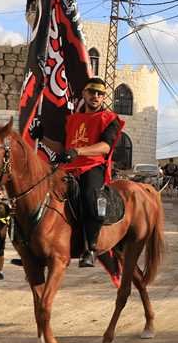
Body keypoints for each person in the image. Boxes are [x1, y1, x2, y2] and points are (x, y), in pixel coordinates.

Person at [36, 77, 124, 268]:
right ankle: (38, 246)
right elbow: (62, 147)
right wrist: (41, 137)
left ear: (103, 98)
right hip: (68, 168)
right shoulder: (72, 119)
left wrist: (78, 151)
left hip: (92, 166)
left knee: (89, 197)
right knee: (41, 192)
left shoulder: (109, 119)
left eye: (100, 94)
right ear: (84, 94)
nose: (96, 96)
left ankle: (90, 248)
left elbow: (106, 147)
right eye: (92, 92)